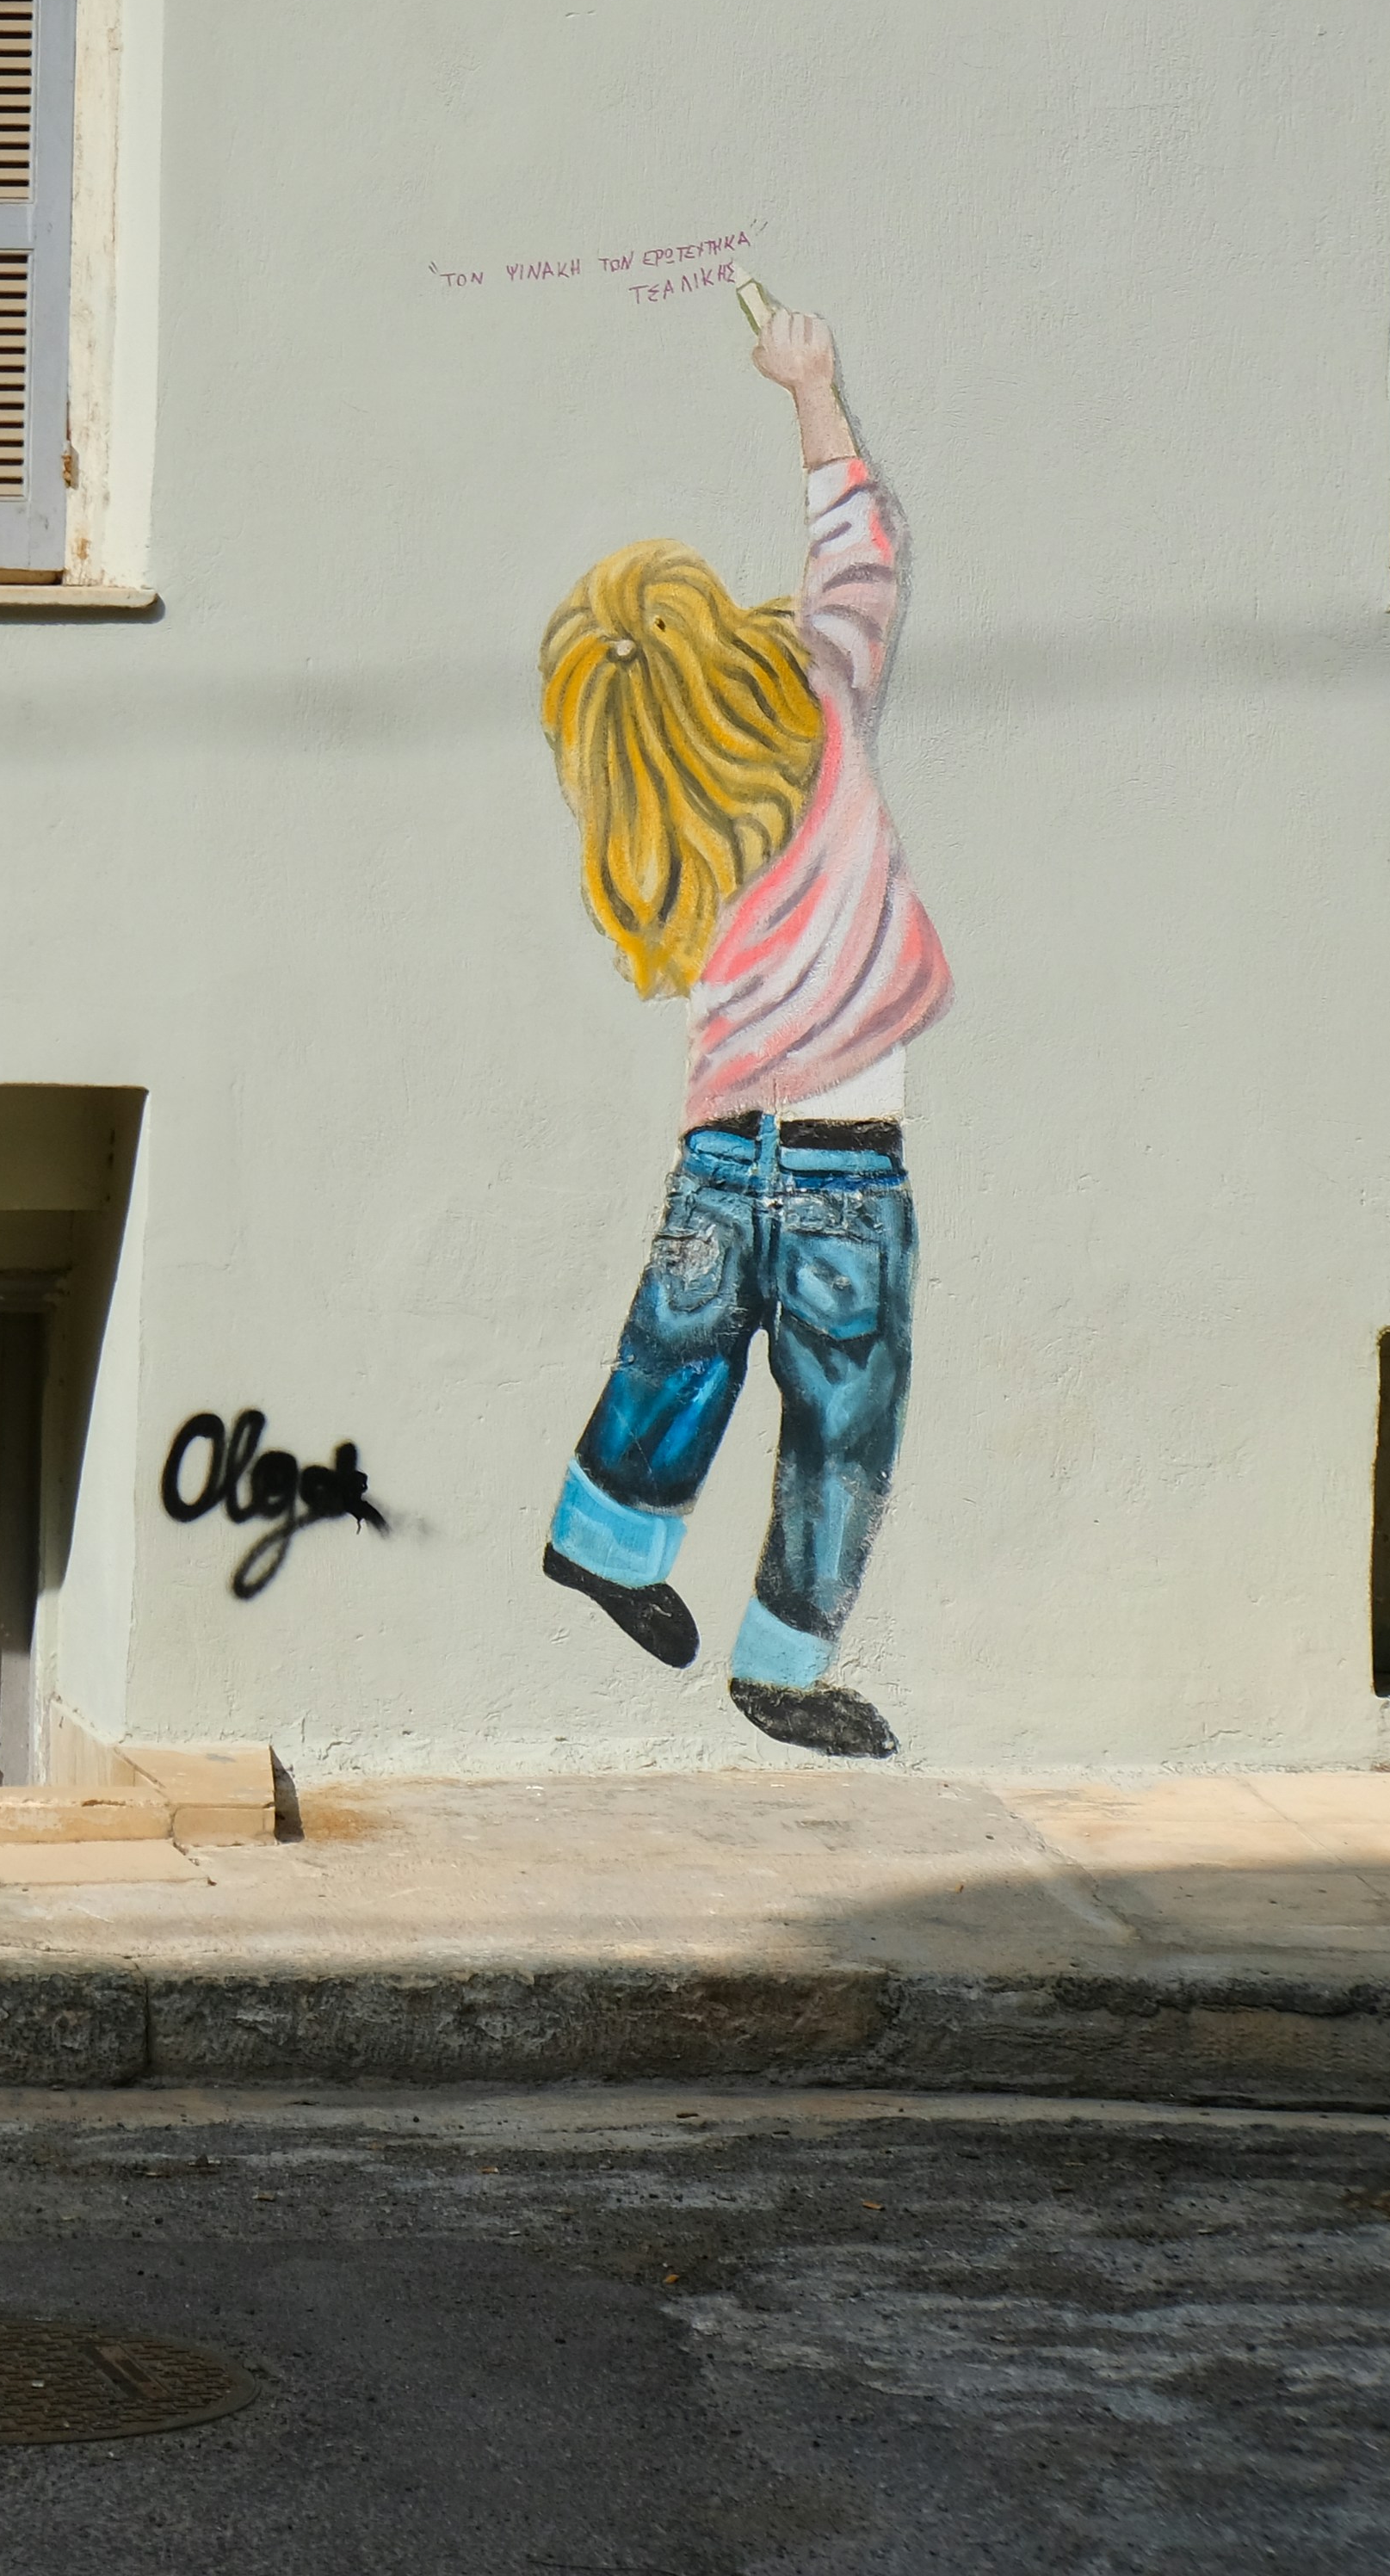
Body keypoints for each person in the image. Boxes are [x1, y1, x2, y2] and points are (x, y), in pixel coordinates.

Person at [532, 302, 952, 1758]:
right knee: (843, 1430)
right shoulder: (823, 715)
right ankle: (781, 1666)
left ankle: (606, 1540)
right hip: (846, 1163)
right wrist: (814, 389)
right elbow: (861, 557)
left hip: (721, 1152)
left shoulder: (661, 842)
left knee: (676, 1357)